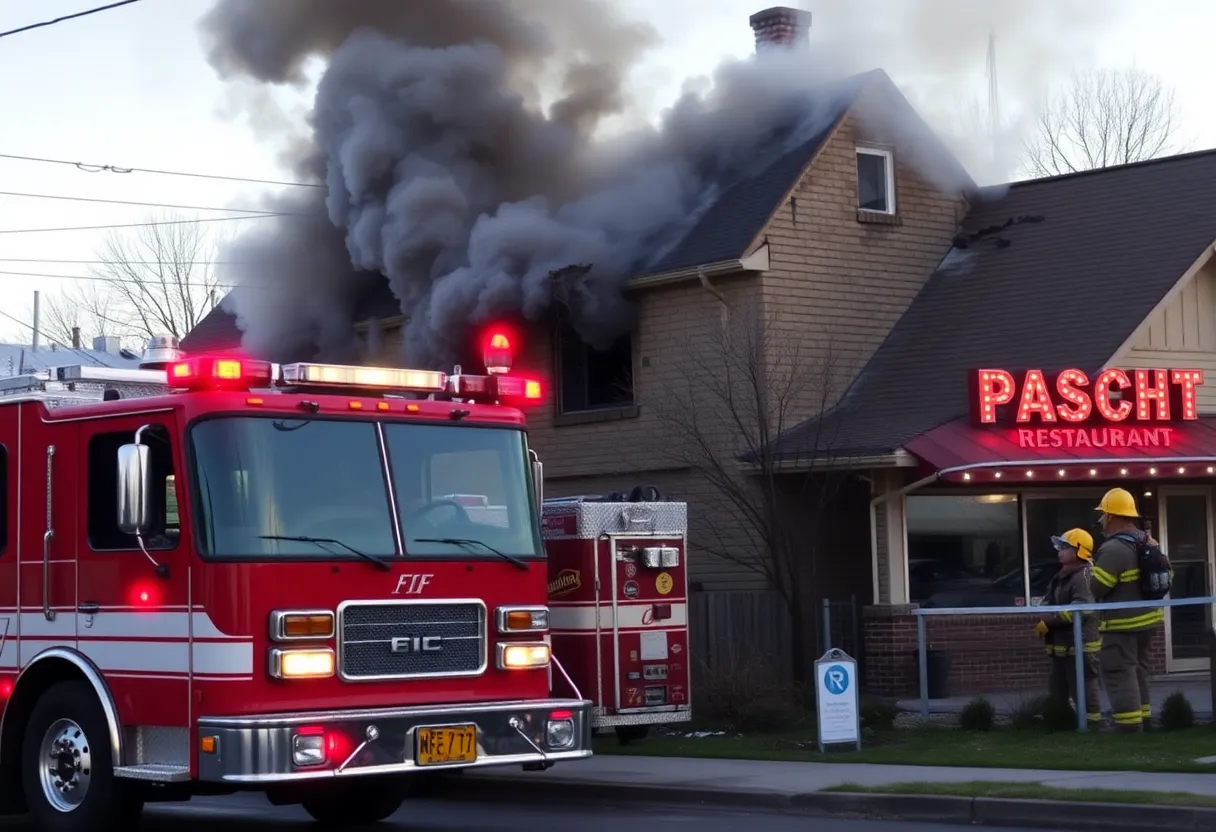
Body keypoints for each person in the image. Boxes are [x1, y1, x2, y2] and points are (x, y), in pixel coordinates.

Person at [1089, 487, 1163, 732]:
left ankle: (1128, 727)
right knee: (1139, 670)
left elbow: (1098, 587)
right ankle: (1144, 720)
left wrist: (1090, 571)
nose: (1100, 520)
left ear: (1112, 516)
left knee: (1119, 671)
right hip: (1148, 620)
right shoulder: (1149, 542)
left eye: (1103, 515)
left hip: (1122, 626)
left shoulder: (1113, 549)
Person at [1035, 529, 1102, 727]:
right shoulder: (1061, 575)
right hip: (1061, 644)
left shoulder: (1083, 576)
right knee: (1057, 686)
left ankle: (1092, 723)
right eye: (1060, 546)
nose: (1059, 551)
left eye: (1065, 547)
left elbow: (1081, 609)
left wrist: (1050, 621)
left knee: (1083, 684)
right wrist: (1045, 614)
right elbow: (1049, 600)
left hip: (1081, 643)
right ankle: (1060, 720)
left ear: (1079, 551)